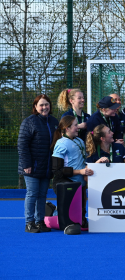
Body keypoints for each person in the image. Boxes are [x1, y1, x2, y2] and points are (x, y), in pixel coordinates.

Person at [18, 94, 59, 233]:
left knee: (42, 195)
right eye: (41, 105)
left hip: (46, 167)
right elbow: (22, 145)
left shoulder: (54, 122)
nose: (44, 107)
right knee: (32, 193)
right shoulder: (29, 121)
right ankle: (29, 223)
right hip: (32, 167)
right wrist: (26, 164)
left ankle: (40, 221)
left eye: (46, 104)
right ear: (35, 107)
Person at [51, 115, 93, 230]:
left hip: (80, 184)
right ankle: (52, 213)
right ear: (67, 128)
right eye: (75, 125)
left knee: (81, 215)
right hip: (66, 183)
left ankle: (79, 219)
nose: (78, 127)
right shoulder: (61, 144)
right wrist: (80, 171)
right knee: (69, 217)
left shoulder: (79, 141)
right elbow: (57, 171)